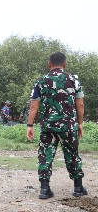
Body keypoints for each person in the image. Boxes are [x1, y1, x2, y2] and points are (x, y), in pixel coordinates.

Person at [26, 52, 86, 199]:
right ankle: (78, 188)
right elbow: (80, 104)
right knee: (72, 154)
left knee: (45, 155)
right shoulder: (73, 80)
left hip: (48, 126)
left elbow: (34, 106)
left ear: (49, 64)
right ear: (64, 64)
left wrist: (30, 125)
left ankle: (44, 189)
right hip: (68, 126)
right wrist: (80, 123)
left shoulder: (40, 81)